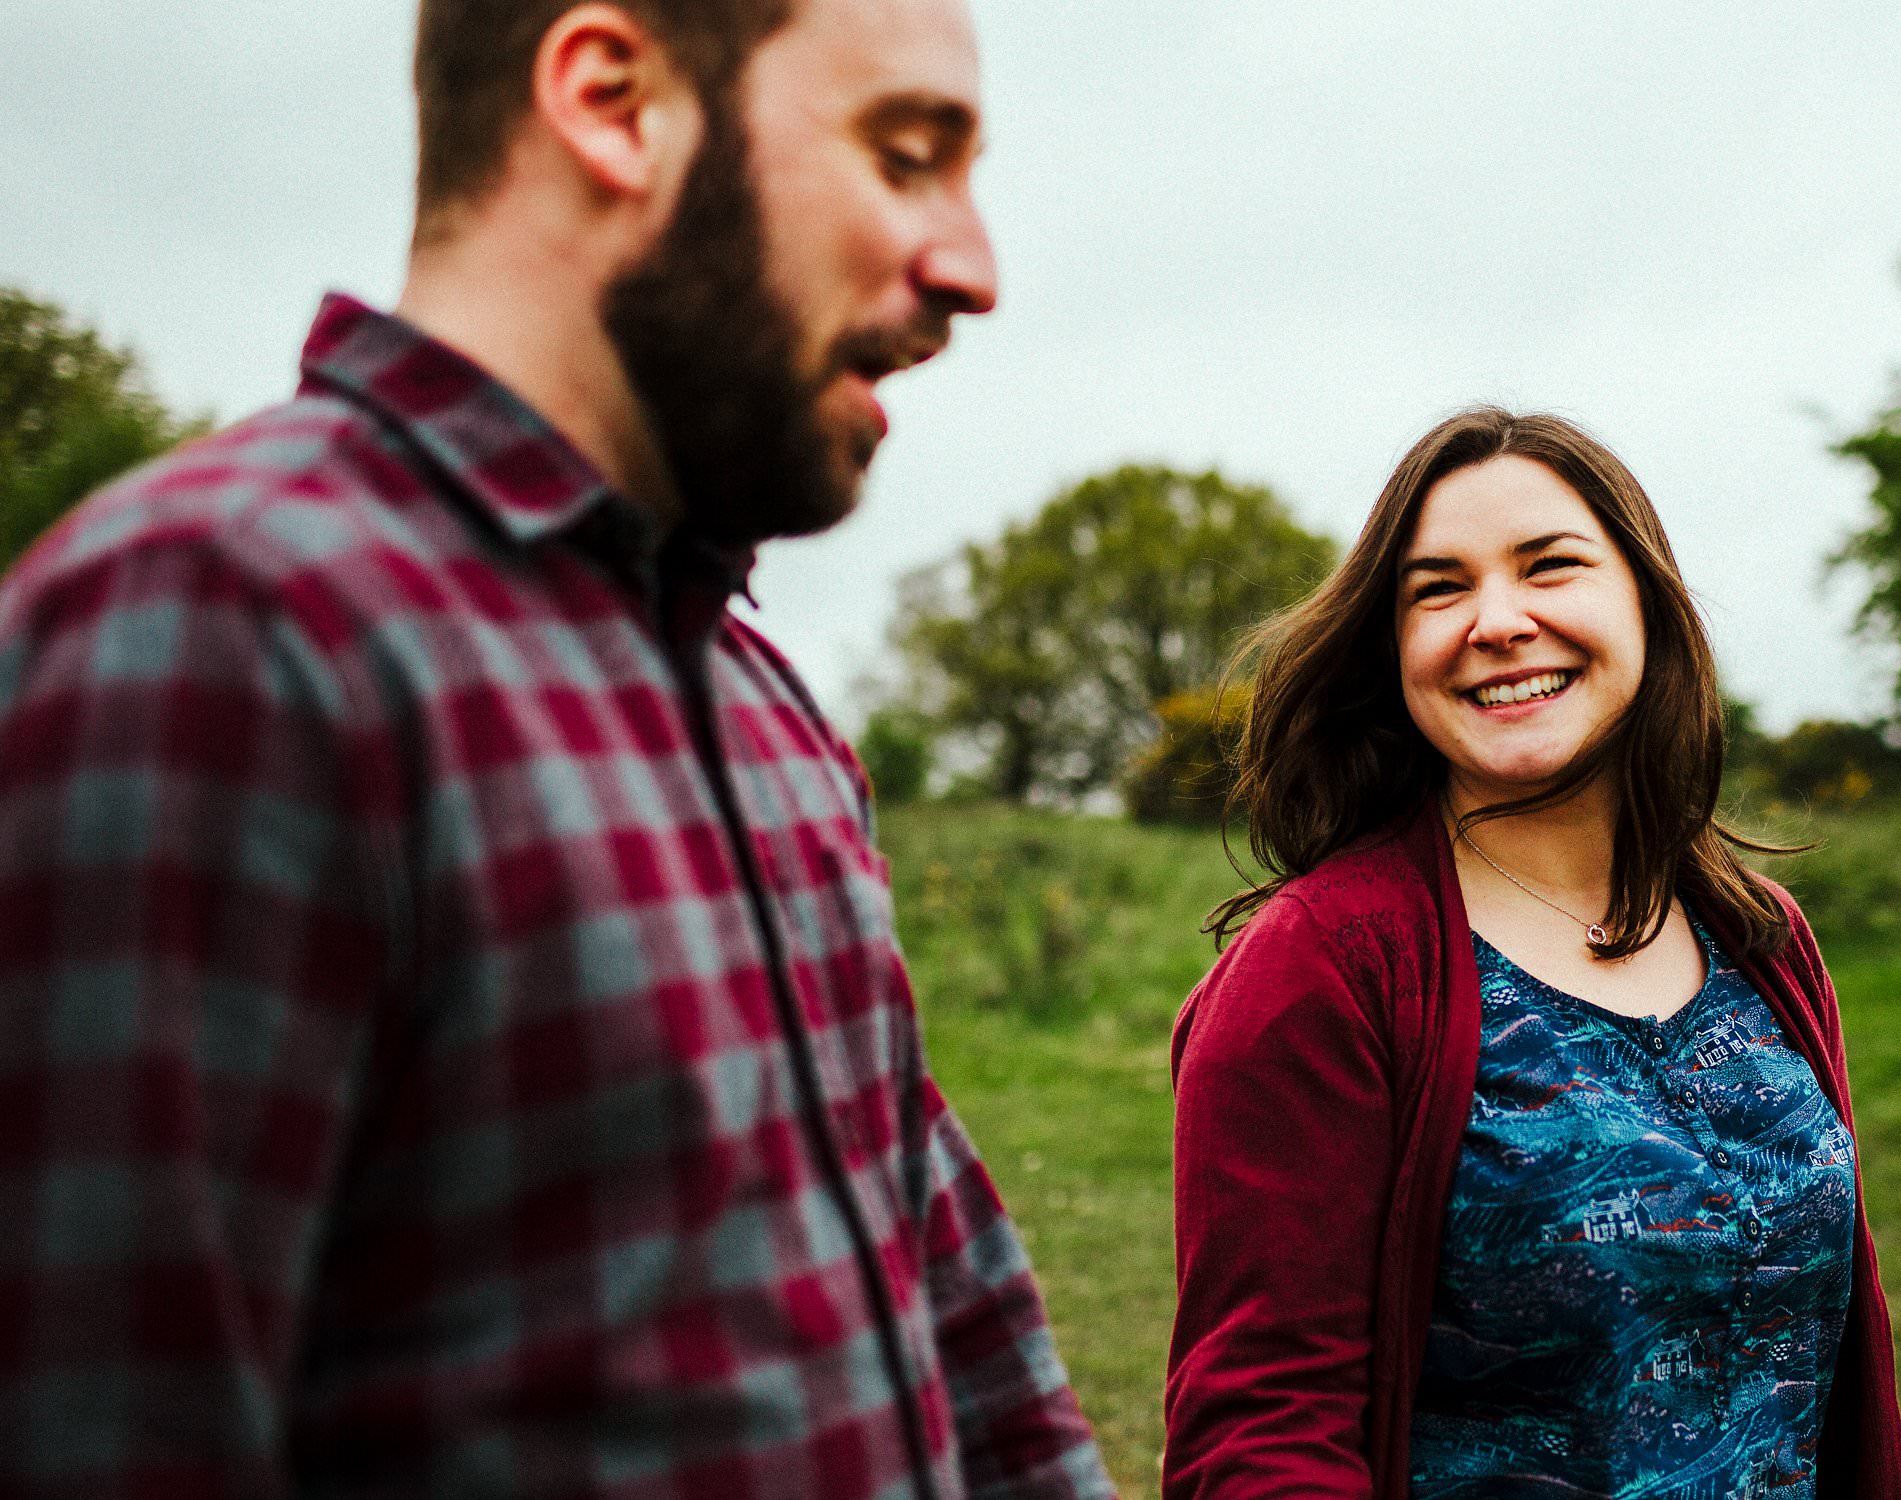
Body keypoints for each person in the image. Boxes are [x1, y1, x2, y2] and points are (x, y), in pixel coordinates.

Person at [0, 1, 1113, 1496]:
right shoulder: (215, 638)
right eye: (906, 155)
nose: (969, 268)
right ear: (612, 100)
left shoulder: (761, 704)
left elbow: (970, 1346)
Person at [1164, 408, 1901, 1499]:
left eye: (1549, 567)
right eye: (1439, 588)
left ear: (1646, 605)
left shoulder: (1762, 937)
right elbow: (1261, 1432)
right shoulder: (1321, 968)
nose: (1499, 620)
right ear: (1394, 649)